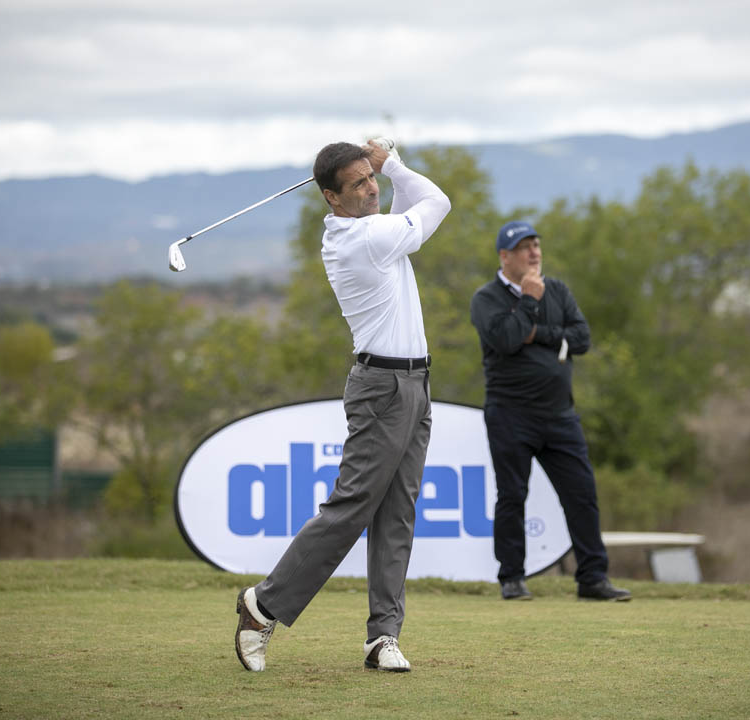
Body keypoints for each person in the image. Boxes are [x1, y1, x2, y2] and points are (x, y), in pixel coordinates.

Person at [234, 138, 450, 673]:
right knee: (351, 507)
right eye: (358, 183)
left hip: (415, 382)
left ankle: (383, 637)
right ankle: (262, 607)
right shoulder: (363, 240)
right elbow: (436, 202)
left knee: (397, 512)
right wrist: (392, 163)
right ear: (332, 197)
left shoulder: (371, 231)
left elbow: (405, 208)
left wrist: (388, 171)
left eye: (371, 178)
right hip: (383, 388)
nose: (372, 188)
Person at [469, 220, 631, 602]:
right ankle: (512, 577)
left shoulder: (557, 290)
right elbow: (507, 339)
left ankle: (592, 578)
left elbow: (582, 338)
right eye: (524, 247)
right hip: (510, 415)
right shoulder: (486, 298)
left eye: (536, 245)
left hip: (560, 415)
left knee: (582, 495)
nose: (534, 253)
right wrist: (529, 301)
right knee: (512, 496)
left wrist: (538, 334)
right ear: (504, 256)